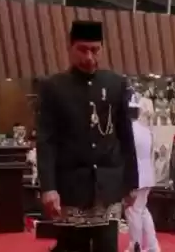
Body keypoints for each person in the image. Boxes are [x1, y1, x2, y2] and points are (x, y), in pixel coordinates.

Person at [36, 20, 138, 252]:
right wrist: (48, 187)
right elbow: (46, 140)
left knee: (107, 247)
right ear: (70, 48)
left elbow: (125, 136)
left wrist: (132, 182)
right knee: (72, 247)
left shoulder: (116, 83)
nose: (89, 57)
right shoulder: (53, 87)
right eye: (82, 49)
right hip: (71, 186)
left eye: (95, 50)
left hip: (108, 184)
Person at [125, 101, 160, 252]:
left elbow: (128, 156)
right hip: (147, 174)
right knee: (142, 210)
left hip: (135, 175)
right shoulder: (145, 129)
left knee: (133, 211)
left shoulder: (129, 130)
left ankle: (135, 246)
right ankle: (152, 246)